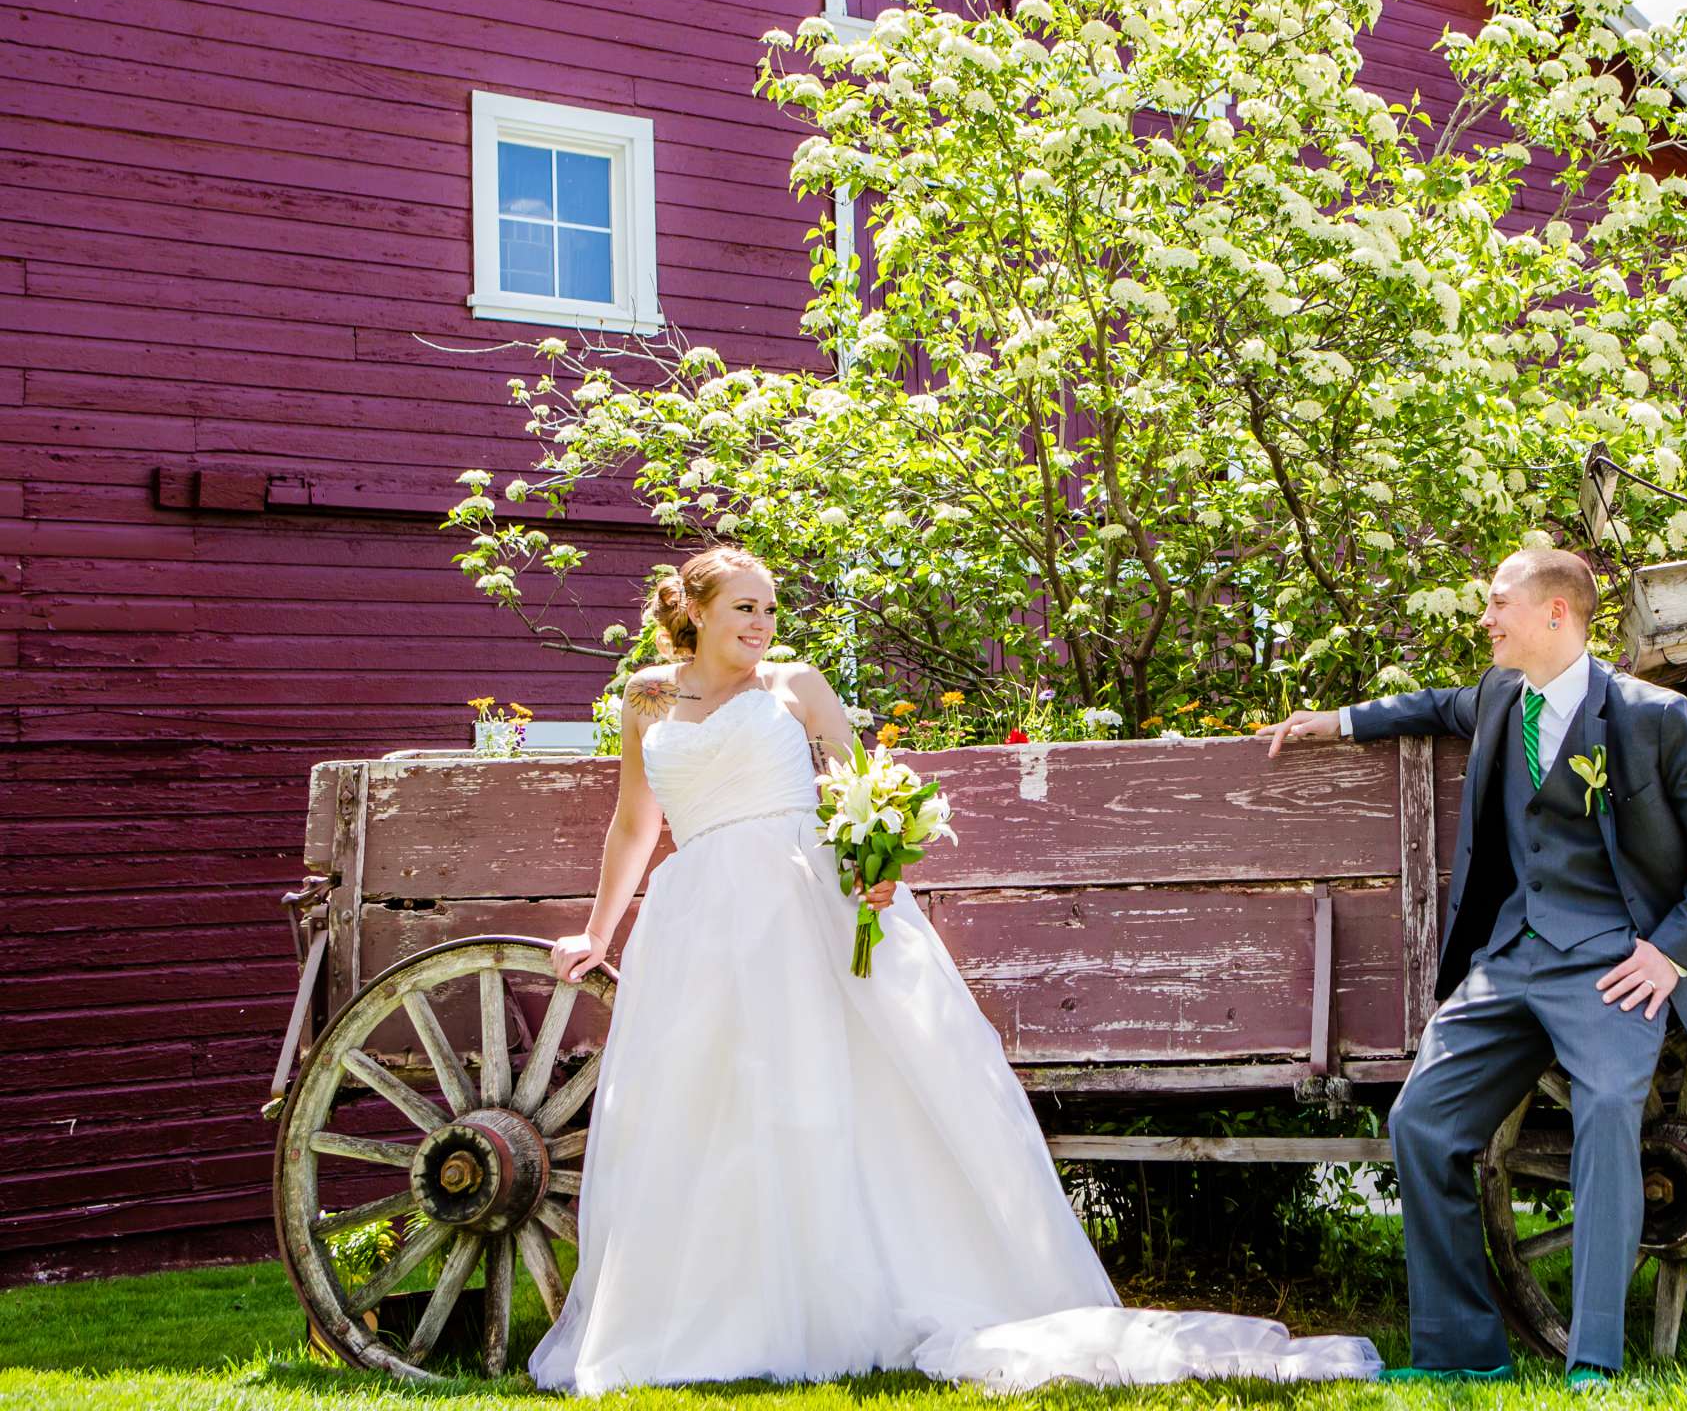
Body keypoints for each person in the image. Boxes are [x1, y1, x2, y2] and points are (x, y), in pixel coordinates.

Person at [526, 545, 1380, 1395]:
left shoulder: (796, 687)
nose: (762, 625)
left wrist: (876, 854)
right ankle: (724, 1311)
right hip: (700, 923)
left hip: (805, 910)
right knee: (714, 1108)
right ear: (700, 612)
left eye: (772, 610)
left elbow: (864, 785)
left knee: (834, 1097)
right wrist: (597, 933)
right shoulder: (647, 698)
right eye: (746, 608)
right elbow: (635, 822)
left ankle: (864, 1295)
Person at [1259, 546, 1687, 1389]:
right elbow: (1433, 707)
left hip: (1612, 967)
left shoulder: (1649, 715)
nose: (1485, 620)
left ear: (1555, 614)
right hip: (1508, 959)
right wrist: (1337, 722)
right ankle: (1461, 1355)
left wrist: (1671, 953)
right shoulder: (1501, 696)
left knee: (1608, 1113)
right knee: (1421, 1122)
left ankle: (1593, 1359)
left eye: (1498, 604)